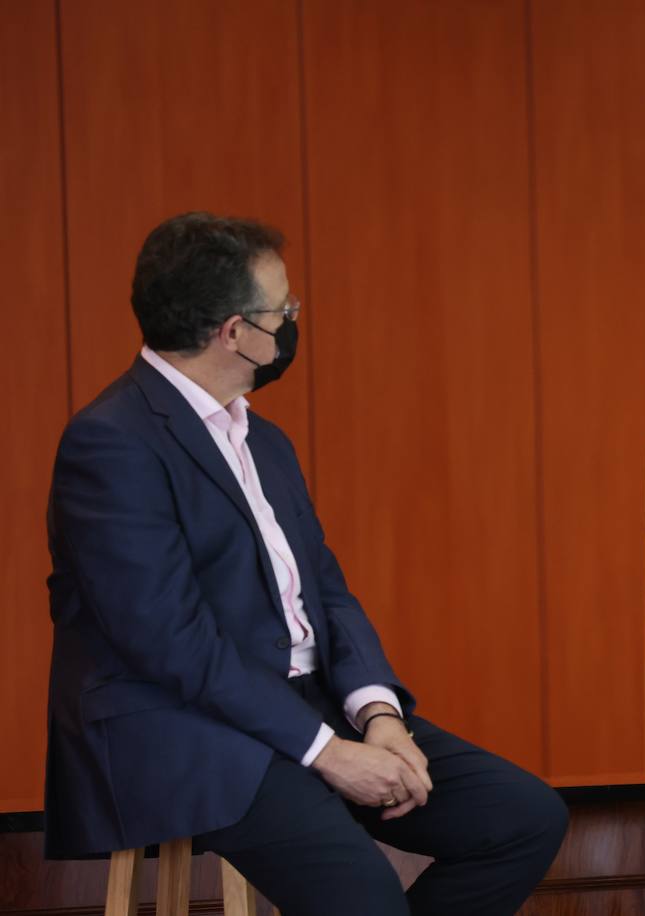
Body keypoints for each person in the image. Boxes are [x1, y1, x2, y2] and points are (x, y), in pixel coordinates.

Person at [44, 212, 567, 915]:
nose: (292, 322)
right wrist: (327, 752)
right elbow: (169, 642)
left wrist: (378, 714)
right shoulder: (111, 443)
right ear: (233, 331)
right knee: (363, 897)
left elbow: (324, 590)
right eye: (282, 310)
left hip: (302, 709)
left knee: (524, 819)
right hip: (181, 728)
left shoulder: (264, 440)